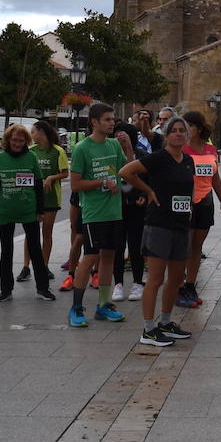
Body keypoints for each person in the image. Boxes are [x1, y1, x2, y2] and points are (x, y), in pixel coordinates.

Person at [121, 115, 195, 346]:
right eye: (174, 130)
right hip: (159, 225)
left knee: (175, 279)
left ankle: (165, 322)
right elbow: (126, 172)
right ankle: (148, 329)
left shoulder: (187, 160)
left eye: (182, 130)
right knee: (154, 278)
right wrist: (148, 191)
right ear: (166, 134)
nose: (178, 134)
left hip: (181, 225)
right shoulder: (159, 158)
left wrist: (190, 206)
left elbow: (188, 188)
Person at [67, 103, 128, 328]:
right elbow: (75, 184)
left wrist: (128, 147)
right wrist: (103, 182)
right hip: (94, 213)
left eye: (113, 119)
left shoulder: (114, 144)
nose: (112, 123)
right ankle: (76, 307)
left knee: (109, 257)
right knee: (90, 257)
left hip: (115, 211)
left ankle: (104, 305)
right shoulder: (83, 148)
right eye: (107, 119)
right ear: (94, 122)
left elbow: (126, 170)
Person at [0, 124, 54, 302]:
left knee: (35, 250)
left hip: (29, 211)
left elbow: (39, 185)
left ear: (26, 141)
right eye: (14, 140)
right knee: (6, 252)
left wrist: (40, 211)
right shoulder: (0, 159)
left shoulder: (31, 157)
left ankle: (43, 288)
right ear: (8, 140)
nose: (17, 143)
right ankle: (5, 290)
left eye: (21, 140)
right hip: (6, 211)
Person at [177, 111, 221, 307]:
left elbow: (215, 178)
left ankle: (190, 285)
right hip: (185, 202)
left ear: (198, 128)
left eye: (188, 127)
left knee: (197, 247)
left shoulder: (210, 149)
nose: (184, 131)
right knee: (185, 245)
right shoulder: (179, 149)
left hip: (206, 201)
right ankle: (178, 287)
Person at [18, 121, 68, 285]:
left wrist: (51, 178)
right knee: (30, 233)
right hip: (32, 198)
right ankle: (26, 266)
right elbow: (23, 171)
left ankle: (44, 265)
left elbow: (64, 173)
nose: (31, 135)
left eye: (33, 132)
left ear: (41, 132)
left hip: (51, 197)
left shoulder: (57, 151)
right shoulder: (30, 151)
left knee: (47, 232)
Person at [118, 122, 151, 300]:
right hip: (116, 206)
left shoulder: (142, 155)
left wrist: (143, 196)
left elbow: (144, 179)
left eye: (122, 135)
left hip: (136, 207)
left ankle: (137, 283)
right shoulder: (112, 155)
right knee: (118, 246)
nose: (118, 138)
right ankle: (118, 284)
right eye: (116, 134)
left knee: (135, 245)